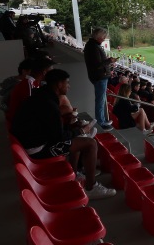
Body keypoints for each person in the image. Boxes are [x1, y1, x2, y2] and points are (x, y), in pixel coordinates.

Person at [11, 69, 116, 199]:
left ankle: (74, 173)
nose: (69, 86)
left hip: (31, 141)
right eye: (67, 83)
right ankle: (91, 187)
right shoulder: (50, 104)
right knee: (90, 144)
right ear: (59, 84)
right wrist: (82, 130)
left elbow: (50, 127)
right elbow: (58, 137)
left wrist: (71, 126)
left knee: (77, 139)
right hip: (37, 149)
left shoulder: (42, 95)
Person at [83, 28, 116, 131]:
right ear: (98, 36)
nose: (104, 38)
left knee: (101, 100)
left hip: (99, 76)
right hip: (99, 77)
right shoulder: (93, 47)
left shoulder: (92, 45)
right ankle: (101, 122)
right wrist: (110, 60)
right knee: (100, 101)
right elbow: (97, 65)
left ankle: (102, 120)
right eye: (103, 36)